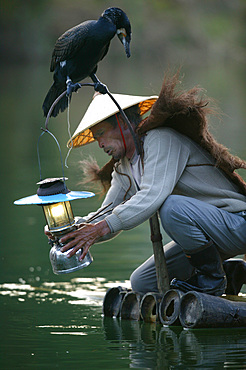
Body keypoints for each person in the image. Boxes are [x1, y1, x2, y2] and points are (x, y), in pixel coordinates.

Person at [45, 72, 246, 296]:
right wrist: (73, 230)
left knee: (171, 207)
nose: (99, 144)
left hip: (237, 224)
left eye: (101, 133)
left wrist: (98, 228)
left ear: (122, 123)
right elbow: (108, 213)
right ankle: (228, 274)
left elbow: (152, 196)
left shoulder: (161, 139)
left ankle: (213, 279)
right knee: (142, 283)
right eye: (96, 137)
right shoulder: (123, 168)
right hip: (207, 238)